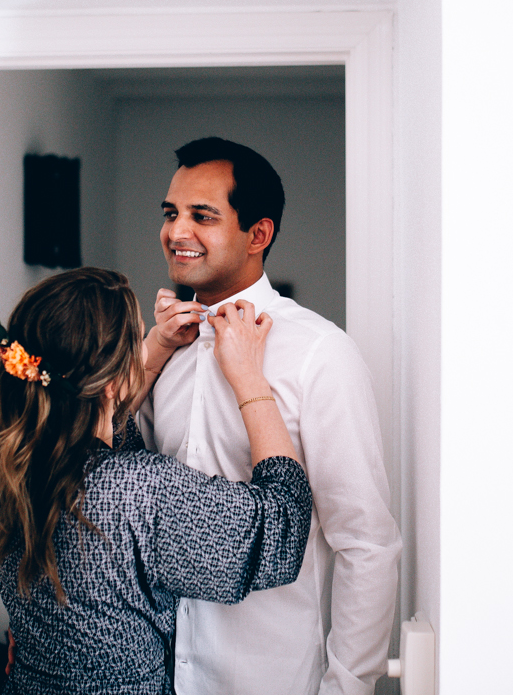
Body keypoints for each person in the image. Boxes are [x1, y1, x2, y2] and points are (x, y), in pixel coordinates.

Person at [0, 267, 313, 695]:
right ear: (113, 382)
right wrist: (249, 379)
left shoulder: (6, 467)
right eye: (136, 342)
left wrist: (157, 346)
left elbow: (100, 432)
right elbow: (281, 530)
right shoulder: (140, 491)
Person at [138, 137, 402, 695]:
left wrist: (347, 686)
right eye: (170, 213)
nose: (176, 231)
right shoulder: (164, 348)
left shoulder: (320, 354)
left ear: (258, 235)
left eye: (202, 216)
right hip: (155, 677)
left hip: (270, 678)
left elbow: (366, 543)